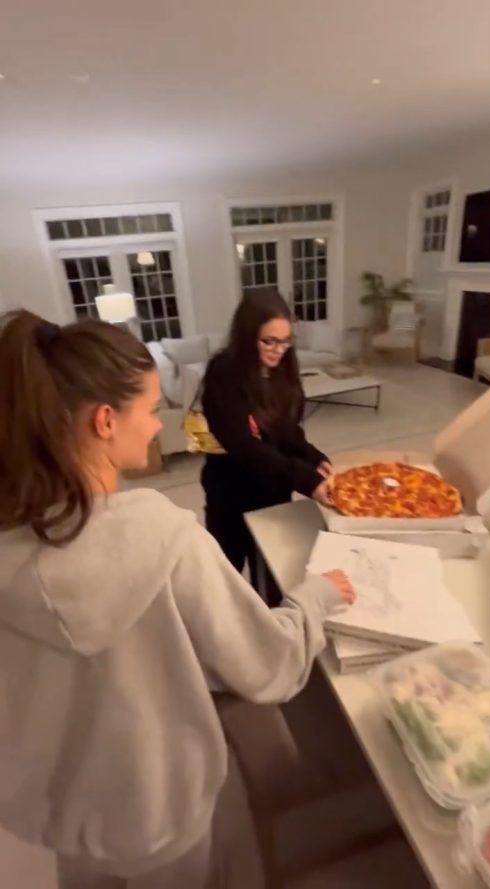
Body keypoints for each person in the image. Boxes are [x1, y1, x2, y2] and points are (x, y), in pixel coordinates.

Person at [0, 309, 354, 889]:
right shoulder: (163, 534)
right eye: (149, 408)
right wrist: (315, 598)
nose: (157, 426)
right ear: (105, 420)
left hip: (67, 821)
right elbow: (266, 664)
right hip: (161, 817)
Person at [201, 287, 334, 596]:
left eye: (285, 341)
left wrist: (314, 458)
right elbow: (245, 449)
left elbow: (286, 431)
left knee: (275, 584)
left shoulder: (282, 370)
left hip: (273, 495)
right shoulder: (223, 374)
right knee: (225, 585)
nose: (278, 350)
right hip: (230, 498)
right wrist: (306, 479)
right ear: (248, 336)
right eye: (268, 341)